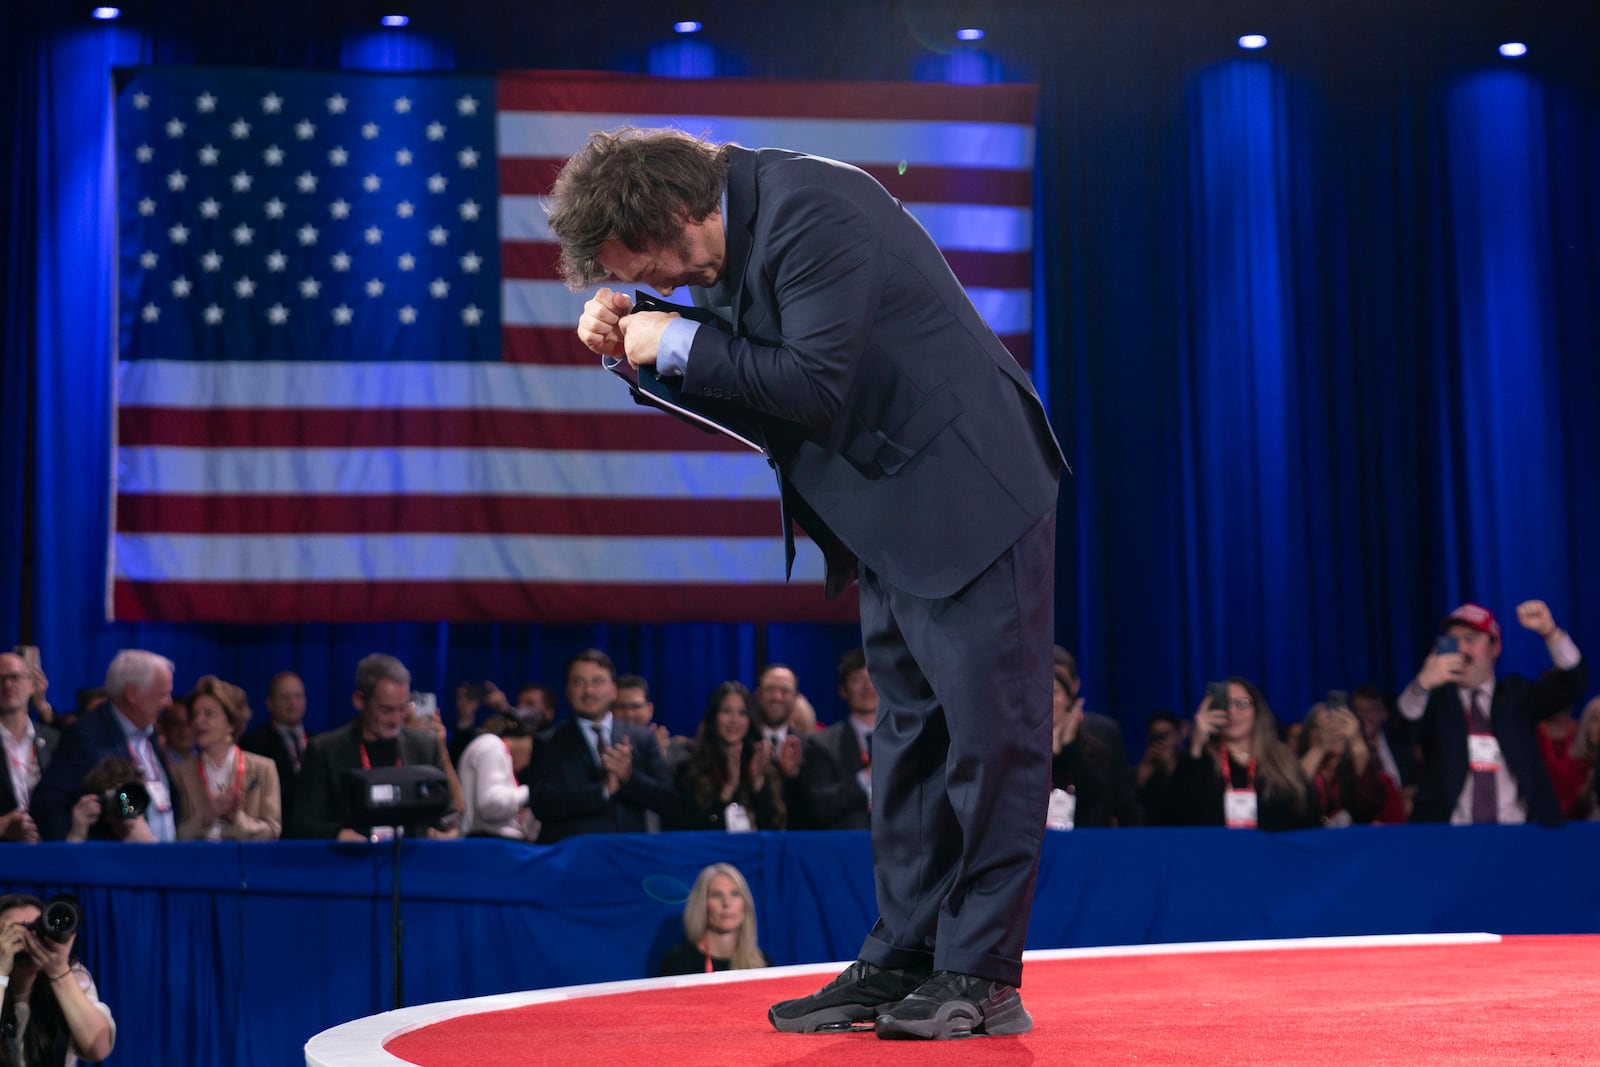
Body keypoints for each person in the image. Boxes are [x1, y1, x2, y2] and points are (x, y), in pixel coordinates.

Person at [553, 126, 1064, 1039]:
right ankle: (903, 954)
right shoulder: (733, 235)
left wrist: (671, 336)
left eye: (656, 267)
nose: (665, 286)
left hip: (972, 493)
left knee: (994, 740)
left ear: (677, 211)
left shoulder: (818, 210)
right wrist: (638, 340)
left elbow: (809, 386)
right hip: (886, 512)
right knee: (908, 749)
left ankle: (982, 971)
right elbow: (757, 394)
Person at [1399, 601, 1587, 825]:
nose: (1461, 649)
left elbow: (1575, 683)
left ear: (1495, 647)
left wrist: (1550, 633)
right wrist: (1422, 684)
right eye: (1452, 641)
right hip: (1448, 839)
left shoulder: (1516, 695)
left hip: (1518, 836)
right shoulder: (1434, 700)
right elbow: (1400, 733)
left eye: (1470, 639)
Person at [289, 653, 456, 840]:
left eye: (402, 708)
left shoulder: (425, 746)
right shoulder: (325, 750)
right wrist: (337, 834)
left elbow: (448, 815)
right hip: (349, 862)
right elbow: (302, 824)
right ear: (359, 700)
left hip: (413, 861)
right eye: (386, 710)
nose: (395, 719)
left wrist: (449, 832)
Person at [527, 649, 678, 842]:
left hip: (629, 855)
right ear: (567, 690)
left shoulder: (642, 738)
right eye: (579, 682)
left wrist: (628, 777)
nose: (589, 691)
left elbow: (669, 801)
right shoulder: (548, 742)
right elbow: (542, 805)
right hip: (574, 859)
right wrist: (603, 791)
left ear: (613, 691)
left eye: (597, 682)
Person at [32, 650, 181, 842]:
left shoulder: (149, 734)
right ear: (132, 694)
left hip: (165, 861)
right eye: (163, 694)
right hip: (117, 864)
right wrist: (73, 856)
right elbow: (49, 802)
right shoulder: (87, 736)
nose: (168, 703)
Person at [1168, 678, 1319, 831]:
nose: (1232, 712)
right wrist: (1197, 744)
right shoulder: (1200, 760)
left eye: (1242, 704)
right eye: (1224, 704)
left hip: (1274, 852)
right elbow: (1174, 814)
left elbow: (1306, 814)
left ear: (1257, 711)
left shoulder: (1282, 760)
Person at [0, 894, 116, 1067]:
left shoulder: (74, 976)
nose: (27, 938)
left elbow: (98, 1049)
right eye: (13, 931)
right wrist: (1, 972)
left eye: (35, 928)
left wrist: (58, 972)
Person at [172, 675, 282, 841]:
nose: (198, 721)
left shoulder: (264, 768)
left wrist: (237, 819)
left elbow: (273, 831)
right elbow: (172, 834)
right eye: (195, 715)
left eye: (208, 714)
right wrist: (206, 816)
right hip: (197, 863)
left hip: (246, 864)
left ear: (231, 724)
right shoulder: (178, 773)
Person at [677, 682, 786, 831]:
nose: (734, 720)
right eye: (727, 711)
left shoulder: (763, 766)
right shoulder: (689, 770)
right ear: (714, 717)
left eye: (742, 713)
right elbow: (694, 831)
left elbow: (775, 828)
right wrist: (728, 788)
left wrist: (758, 782)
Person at [1048, 662, 1143, 828]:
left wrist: (1069, 746)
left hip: (1085, 842)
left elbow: (1098, 797)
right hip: (1041, 846)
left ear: (1069, 700)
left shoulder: (1095, 750)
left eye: (1055, 692)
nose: (1049, 700)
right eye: (1043, 693)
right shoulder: (1024, 751)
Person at [657, 863, 773, 976]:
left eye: (735, 894)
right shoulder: (678, 961)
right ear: (702, 904)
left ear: (745, 903)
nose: (727, 903)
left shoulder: (763, 964)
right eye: (716, 895)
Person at [1294, 702, 1389, 826]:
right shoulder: (1293, 768)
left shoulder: (1359, 772)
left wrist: (1357, 741)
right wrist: (1319, 748)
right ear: (1308, 734)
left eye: (1340, 725)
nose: (1334, 732)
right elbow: (1288, 797)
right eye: (1322, 727)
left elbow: (1370, 807)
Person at [0, 651, 57, 844]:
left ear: (33, 684)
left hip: (49, 855)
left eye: (14, 677)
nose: (7, 685)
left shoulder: (53, 741)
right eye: (0, 679)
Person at [240, 671, 310, 827]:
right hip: (276, 829)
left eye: (298, 696)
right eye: (285, 697)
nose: (292, 702)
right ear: (269, 703)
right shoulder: (254, 742)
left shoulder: (318, 741)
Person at [457, 711, 537, 840]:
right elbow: (491, 806)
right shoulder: (492, 745)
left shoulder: (500, 752)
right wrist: (532, 791)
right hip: (487, 844)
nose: (528, 763)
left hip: (494, 843)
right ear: (528, 741)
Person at [63, 757, 158, 843]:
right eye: (119, 797)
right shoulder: (92, 835)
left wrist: (147, 843)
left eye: (130, 799)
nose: (125, 804)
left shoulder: (141, 830)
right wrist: (77, 834)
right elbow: (71, 862)